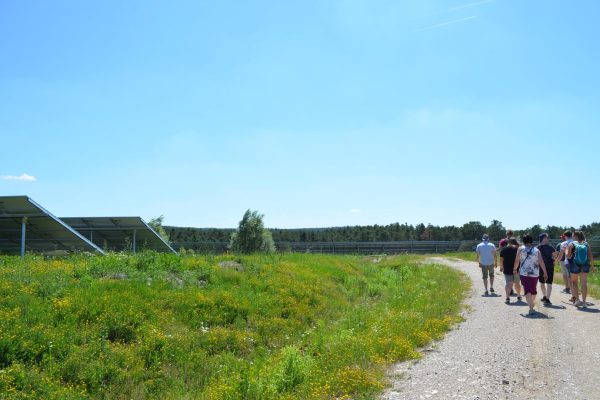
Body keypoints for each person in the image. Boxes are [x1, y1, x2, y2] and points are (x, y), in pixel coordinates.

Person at [513, 234, 548, 315]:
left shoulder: (520, 249)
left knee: (527, 290)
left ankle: (531, 307)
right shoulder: (536, 250)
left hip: (524, 273)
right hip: (535, 273)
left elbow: (517, 260)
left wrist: (515, 268)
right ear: (531, 241)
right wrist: (545, 272)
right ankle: (531, 305)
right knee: (533, 290)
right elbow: (541, 262)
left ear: (524, 241)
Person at [566, 231, 596, 308]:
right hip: (585, 264)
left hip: (575, 264)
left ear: (575, 236)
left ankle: (577, 301)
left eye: (573, 236)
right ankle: (584, 303)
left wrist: (567, 251)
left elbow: (568, 256)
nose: (572, 237)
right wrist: (592, 266)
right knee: (584, 283)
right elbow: (591, 256)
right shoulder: (586, 243)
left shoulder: (571, 244)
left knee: (574, 282)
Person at [537, 233, 558, 305]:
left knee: (545, 282)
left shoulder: (538, 247)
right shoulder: (550, 247)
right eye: (546, 237)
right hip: (548, 266)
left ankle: (546, 297)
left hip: (542, 267)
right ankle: (546, 298)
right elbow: (555, 256)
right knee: (545, 282)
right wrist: (552, 259)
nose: (547, 239)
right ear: (543, 238)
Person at [555, 231, 575, 301]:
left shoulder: (564, 243)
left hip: (569, 262)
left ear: (565, 236)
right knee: (575, 279)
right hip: (577, 263)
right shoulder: (576, 242)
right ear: (571, 235)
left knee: (570, 280)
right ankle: (576, 295)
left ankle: (574, 297)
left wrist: (556, 261)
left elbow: (560, 255)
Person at [500, 238, 522, 303]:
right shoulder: (517, 249)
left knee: (508, 284)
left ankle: (507, 298)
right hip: (516, 269)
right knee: (517, 283)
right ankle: (518, 295)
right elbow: (519, 259)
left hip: (507, 269)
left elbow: (501, 260)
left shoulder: (503, 249)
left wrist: (501, 267)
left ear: (508, 242)